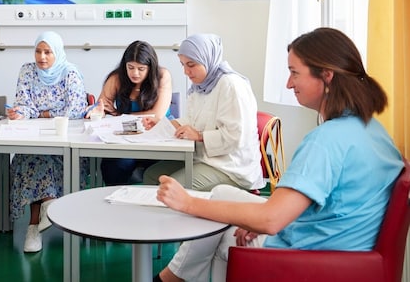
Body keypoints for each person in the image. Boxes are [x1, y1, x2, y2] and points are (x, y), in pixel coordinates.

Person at [153, 27, 404, 282]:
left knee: (218, 233)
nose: (289, 83)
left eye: (294, 73)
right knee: (220, 195)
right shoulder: (372, 129)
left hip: (313, 255)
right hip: (339, 241)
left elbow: (271, 219)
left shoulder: (326, 141)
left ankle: (170, 278)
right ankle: (172, 277)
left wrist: (188, 203)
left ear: (326, 77)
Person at [143, 34, 265, 192]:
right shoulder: (201, 86)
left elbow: (236, 137)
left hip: (230, 168)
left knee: (168, 188)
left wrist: (199, 136)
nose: (186, 71)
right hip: (204, 158)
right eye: (183, 65)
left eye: (191, 64)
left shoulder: (231, 85)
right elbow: (192, 119)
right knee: (151, 176)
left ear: (207, 59)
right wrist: (165, 124)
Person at [6, 31, 88, 253]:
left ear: (57, 53)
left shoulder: (70, 73)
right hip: (35, 137)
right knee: (33, 154)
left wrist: (40, 113)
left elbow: (76, 110)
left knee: (47, 156)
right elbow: (23, 104)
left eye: (48, 52)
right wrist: (20, 113)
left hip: (66, 140)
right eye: (38, 51)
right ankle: (36, 222)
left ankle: (41, 216)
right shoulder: (27, 71)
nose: (42, 57)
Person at [86, 40, 173, 185]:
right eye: (130, 67)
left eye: (141, 68)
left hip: (157, 134)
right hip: (126, 138)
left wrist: (119, 116)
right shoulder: (116, 78)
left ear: (150, 68)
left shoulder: (162, 76)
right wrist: (97, 112)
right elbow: (102, 106)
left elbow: (156, 115)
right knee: (116, 164)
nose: (135, 73)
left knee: (160, 166)